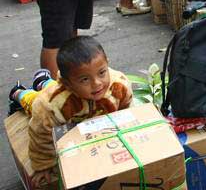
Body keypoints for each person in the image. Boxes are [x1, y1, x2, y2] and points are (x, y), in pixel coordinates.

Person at [8, 36, 132, 187]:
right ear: (68, 83)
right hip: (48, 100)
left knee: (48, 86)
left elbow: (126, 110)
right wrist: (43, 165)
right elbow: (40, 133)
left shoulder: (119, 85)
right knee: (33, 101)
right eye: (85, 79)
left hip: (82, 110)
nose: (97, 83)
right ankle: (18, 93)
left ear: (107, 63)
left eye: (102, 73)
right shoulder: (52, 104)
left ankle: (42, 80)